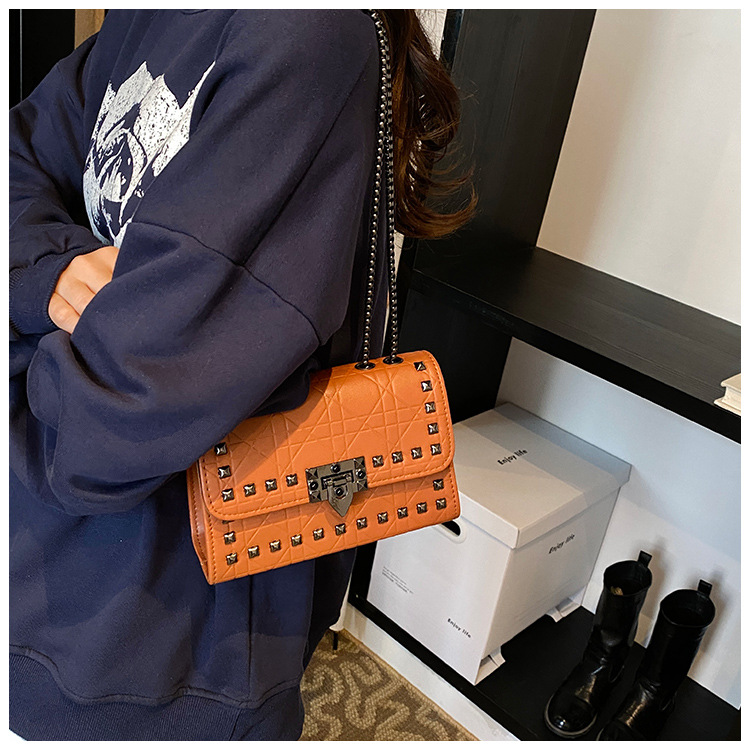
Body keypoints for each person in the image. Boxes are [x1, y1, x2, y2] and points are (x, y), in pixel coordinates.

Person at [9, 9, 474, 741]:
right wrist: (54, 270)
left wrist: (32, 303)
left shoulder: (302, 37)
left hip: (161, 633)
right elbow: (17, 154)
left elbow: (117, 411)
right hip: (63, 565)